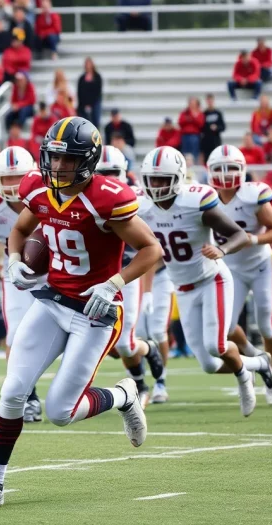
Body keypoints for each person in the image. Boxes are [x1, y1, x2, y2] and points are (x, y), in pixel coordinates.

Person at [0, 117, 160, 508]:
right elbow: (18, 230)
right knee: (12, 391)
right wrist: (14, 260)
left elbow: (151, 249)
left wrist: (113, 284)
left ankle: (123, 395)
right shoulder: (38, 188)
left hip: (95, 314)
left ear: (87, 161)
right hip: (51, 302)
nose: (57, 166)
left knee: (60, 412)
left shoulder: (107, 198)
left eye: (66, 160)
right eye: (52, 157)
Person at [136, 146, 272, 417]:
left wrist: (222, 250)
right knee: (209, 365)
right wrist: (147, 291)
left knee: (217, 346)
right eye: (152, 179)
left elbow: (238, 234)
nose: (156, 185)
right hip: (183, 288)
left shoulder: (194, 201)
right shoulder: (141, 207)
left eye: (163, 179)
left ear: (178, 178)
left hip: (213, 279)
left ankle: (244, 379)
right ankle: (259, 364)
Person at [207, 145, 272, 404]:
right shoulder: (206, 198)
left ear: (242, 170)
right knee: (228, 327)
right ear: (210, 171)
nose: (226, 174)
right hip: (233, 269)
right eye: (220, 168)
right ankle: (254, 354)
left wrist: (253, 238)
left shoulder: (252, 195)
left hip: (262, 264)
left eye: (231, 167)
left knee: (266, 324)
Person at [0, 146, 42, 421]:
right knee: (16, 335)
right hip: (16, 278)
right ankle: (28, 396)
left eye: (18, 177)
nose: (13, 185)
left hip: (56, 276)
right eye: (7, 178)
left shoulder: (46, 197)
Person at [97, 145, 167, 406]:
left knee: (124, 344)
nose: (108, 178)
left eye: (113, 172)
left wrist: (147, 290)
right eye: (102, 172)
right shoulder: (87, 197)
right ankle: (146, 348)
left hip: (128, 274)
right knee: (110, 346)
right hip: (99, 275)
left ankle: (139, 382)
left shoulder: (139, 199)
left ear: (125, 172)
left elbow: (150, 248)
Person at [77, 58, 102, 127]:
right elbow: (80, 92)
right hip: (84, 103)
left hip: (94, 103)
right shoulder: (82, 78)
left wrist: (91, 103)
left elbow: (98, 91)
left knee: (95, 121)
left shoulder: (97, 77)